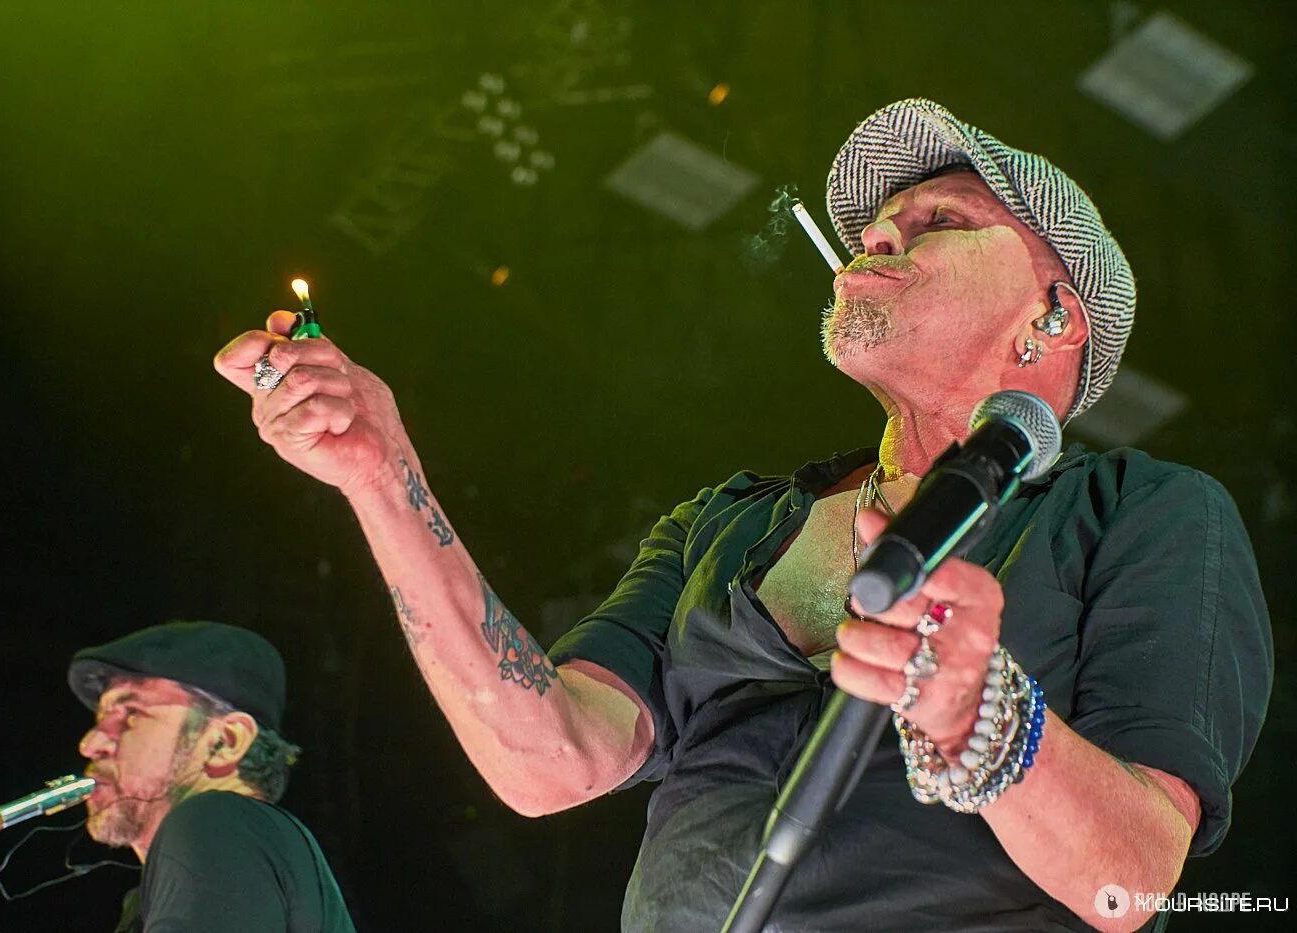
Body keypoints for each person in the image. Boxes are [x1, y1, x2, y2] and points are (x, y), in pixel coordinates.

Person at [214, 98, 1272, 931]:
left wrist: (982, 716)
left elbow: (1131, 878)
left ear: (1056, 313)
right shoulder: (724, 522)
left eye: (940, 221)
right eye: (875, 227)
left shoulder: (1141, 511)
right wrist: (380, 472)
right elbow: (549, 760)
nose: (878, 235)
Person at [69, 620, 356, 932]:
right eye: (100, 718)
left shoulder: (215, 820)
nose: (90, 744)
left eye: (132, 714)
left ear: (225, 742)